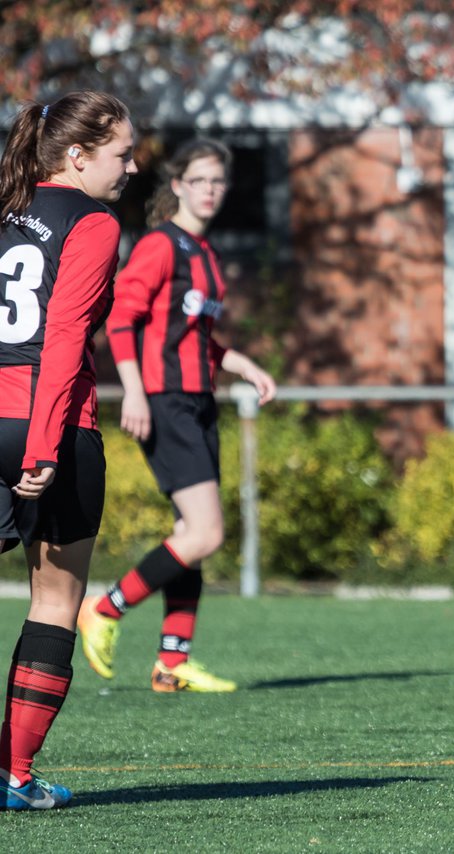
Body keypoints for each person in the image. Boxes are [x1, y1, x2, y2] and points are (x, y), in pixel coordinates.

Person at [77, 138, 275, 694]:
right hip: (164, 401)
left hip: (198, 401)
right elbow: (121, 320)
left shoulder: (204, 255)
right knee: (206, 532)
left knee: (191, 532)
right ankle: (105, 608)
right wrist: (134, 394)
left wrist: (245, 365)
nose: (211, 190)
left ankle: (172, 661)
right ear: (179, 185)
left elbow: (197, 339)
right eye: (201, 180)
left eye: (219, 181)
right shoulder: (161, 246)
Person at [0, 91, 137, 810]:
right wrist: (45, 445)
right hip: (48, 423)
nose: (133, 166)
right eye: (121, 154)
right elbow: (61, 339)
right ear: (78, 157)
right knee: (56, 600)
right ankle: (14, 777)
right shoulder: (93, 221)